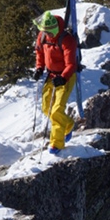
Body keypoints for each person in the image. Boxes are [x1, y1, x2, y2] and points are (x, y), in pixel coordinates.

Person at [32, 10, 79, 153]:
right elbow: (39, 52)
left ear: (55, 29)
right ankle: (68, 124)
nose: (47, 34)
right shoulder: (42, 36)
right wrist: (39, 68)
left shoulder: (67, 39)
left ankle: (57, 144)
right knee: (47, 108)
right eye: (44, 31)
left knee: (57, 109)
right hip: (51, 76)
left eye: (49, 32)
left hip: (66, 77)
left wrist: (63, 77)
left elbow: (71, 64)